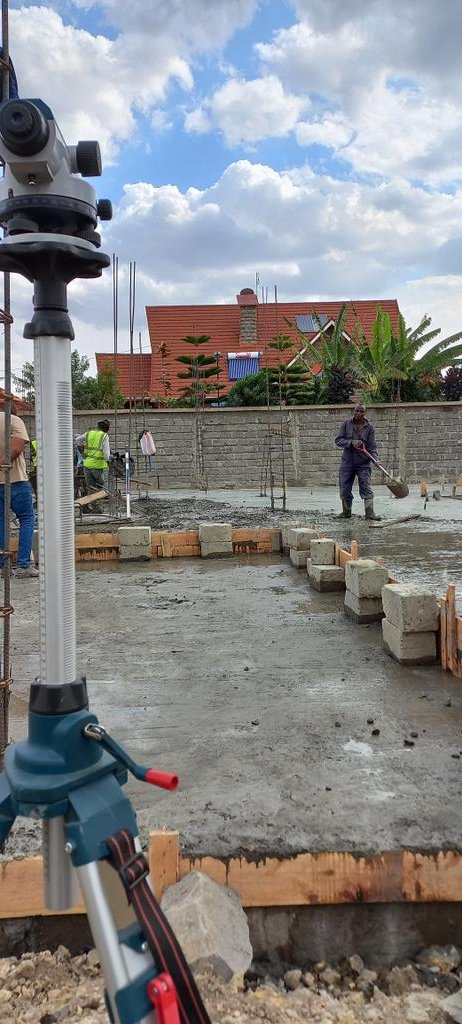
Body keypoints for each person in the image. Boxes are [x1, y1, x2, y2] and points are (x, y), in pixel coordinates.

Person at [0, 400, 38, 577]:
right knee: (27, 519)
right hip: (16, 480)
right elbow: (15, 450)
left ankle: (3, 567)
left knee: (1, 522)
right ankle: (24, 565)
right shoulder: (14, 420)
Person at [335, 402, 381, 521]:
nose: (358, 413)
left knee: (366, 487)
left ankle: (370, 513)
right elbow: (338, 440)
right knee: (344, 488)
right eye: (357, 410)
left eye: (361, 411)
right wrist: (351, 442)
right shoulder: (346, 424)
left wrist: (375, 459)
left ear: (365, 413)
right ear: (353, 411)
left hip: (363, 463)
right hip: (347, 462)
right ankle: (346, 512)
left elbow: (372, 447)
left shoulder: (369, 428)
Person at [76, 419, 111, 502]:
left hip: (87, 465)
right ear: (106, 429)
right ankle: (103, 505)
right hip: (99, 466)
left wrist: (82, 452)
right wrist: (109, 462)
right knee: (105, 488)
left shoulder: (88, 433)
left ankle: (92, 506)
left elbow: (77, 440)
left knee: (91, 489)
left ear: (98, 426)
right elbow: (107, 455)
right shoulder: (104, 436)